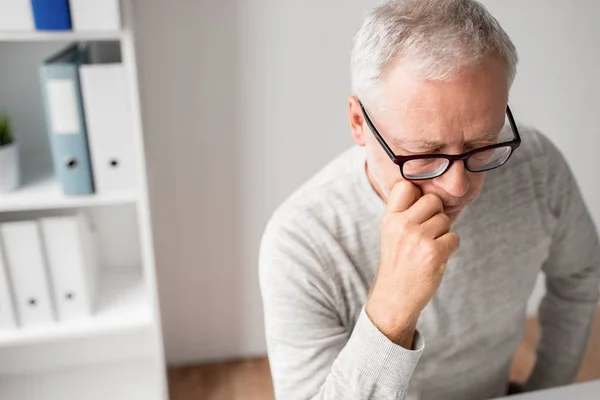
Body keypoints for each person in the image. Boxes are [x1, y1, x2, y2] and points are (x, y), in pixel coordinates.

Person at [258, 0, 600, 399]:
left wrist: (545, 390)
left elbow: (580, 277)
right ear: (358, 122)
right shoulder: (301, 243)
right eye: (424, 155)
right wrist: (392, 307)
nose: (458, 187)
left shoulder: (536, 167)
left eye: (481, 144)